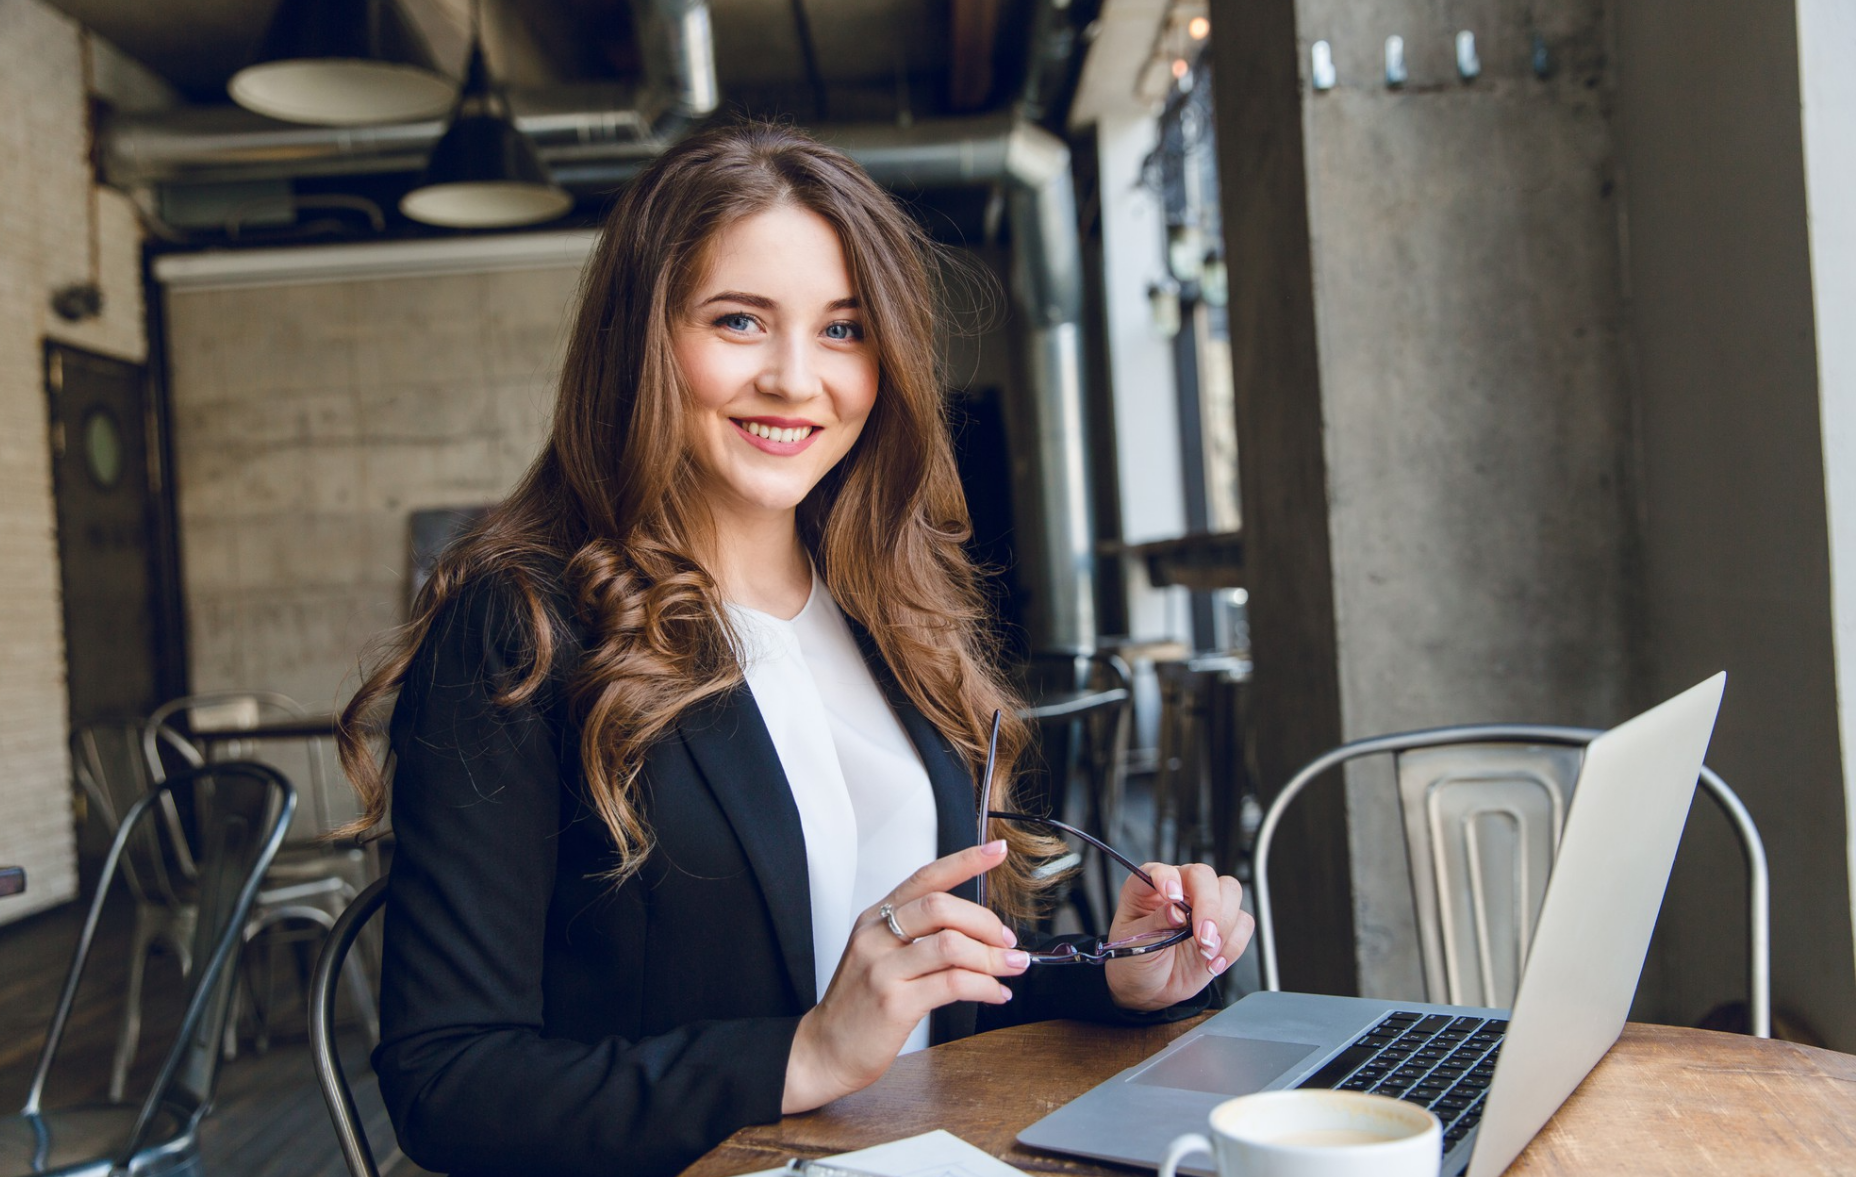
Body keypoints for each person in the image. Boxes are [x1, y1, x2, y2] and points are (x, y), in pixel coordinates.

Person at [337, 120, 1254, 1177]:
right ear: (641, 341)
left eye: (841, 330)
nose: (793, 377)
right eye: (738, 320)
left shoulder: (887, 609)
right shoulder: (522, 626)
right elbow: (447, 1083)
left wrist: (1120, 974)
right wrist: (803, 1053)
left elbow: (918, 1010)